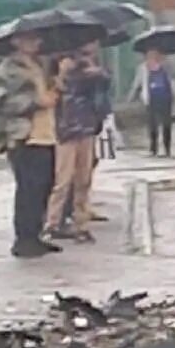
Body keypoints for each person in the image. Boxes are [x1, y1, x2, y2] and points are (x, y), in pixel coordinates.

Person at [0, 32, 61, 258]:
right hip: (23, 135)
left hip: (47, 132)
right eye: (31, 39)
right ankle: (24, 238)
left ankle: (36, 234)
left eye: (37, 38)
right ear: (16, 42)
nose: (37, 42)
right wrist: (34, 103)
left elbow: (50, 92)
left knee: (45, 185)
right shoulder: (8, 69)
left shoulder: (42, 64)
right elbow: (2, 103)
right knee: (28, 188)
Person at [45, 42, 109, 244]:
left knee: (84, 177)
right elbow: (55, 91)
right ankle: (52, 222)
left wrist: (90, 65)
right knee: (62, 179)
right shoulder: (56, 65)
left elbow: (103, 80)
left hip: (86, 127)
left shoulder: (86, 66)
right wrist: (63, 73)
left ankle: (80, 222)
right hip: (65, 130)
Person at [130, 49, 175, 157]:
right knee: (152, 125)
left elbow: (174, 77)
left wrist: (167, 64)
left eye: (155, 54)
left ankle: (167, 147)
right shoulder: (142, 68)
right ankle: (153, 148)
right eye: (149, 55)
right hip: (151, 99)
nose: (152, 57)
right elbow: (137, 83)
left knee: (166, 124)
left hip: (166, 98)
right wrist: (132, 96)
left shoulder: (166, 65)